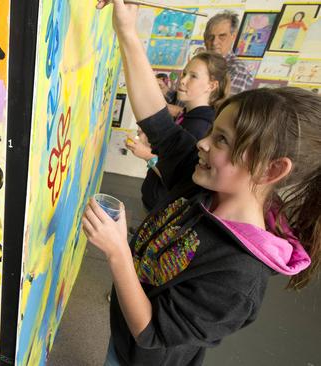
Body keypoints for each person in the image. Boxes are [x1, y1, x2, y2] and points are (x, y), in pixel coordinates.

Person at [87, 1, 319, 365]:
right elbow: (158, 123)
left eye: (222, 141)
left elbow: (150, 332)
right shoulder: (205, 186)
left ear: (271, 170)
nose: (203, 143)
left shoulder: (240, 276)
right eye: (212, 131)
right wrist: (127, 31)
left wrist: (117, 251)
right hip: (121, 339)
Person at [127, 52, 228, 212]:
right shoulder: (189, 114)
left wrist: (146, 154)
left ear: (212, 86)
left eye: (193, 76)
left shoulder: (200, 126)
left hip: (162, 207)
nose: (183, 80)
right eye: (185, 73)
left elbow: (182, 175)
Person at [204, 11, 254, 94]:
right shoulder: (200, 63)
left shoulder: (237, 70)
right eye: (210, 36)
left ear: (233, 36)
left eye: (222, 36)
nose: (214, 42)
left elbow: (223, 106)